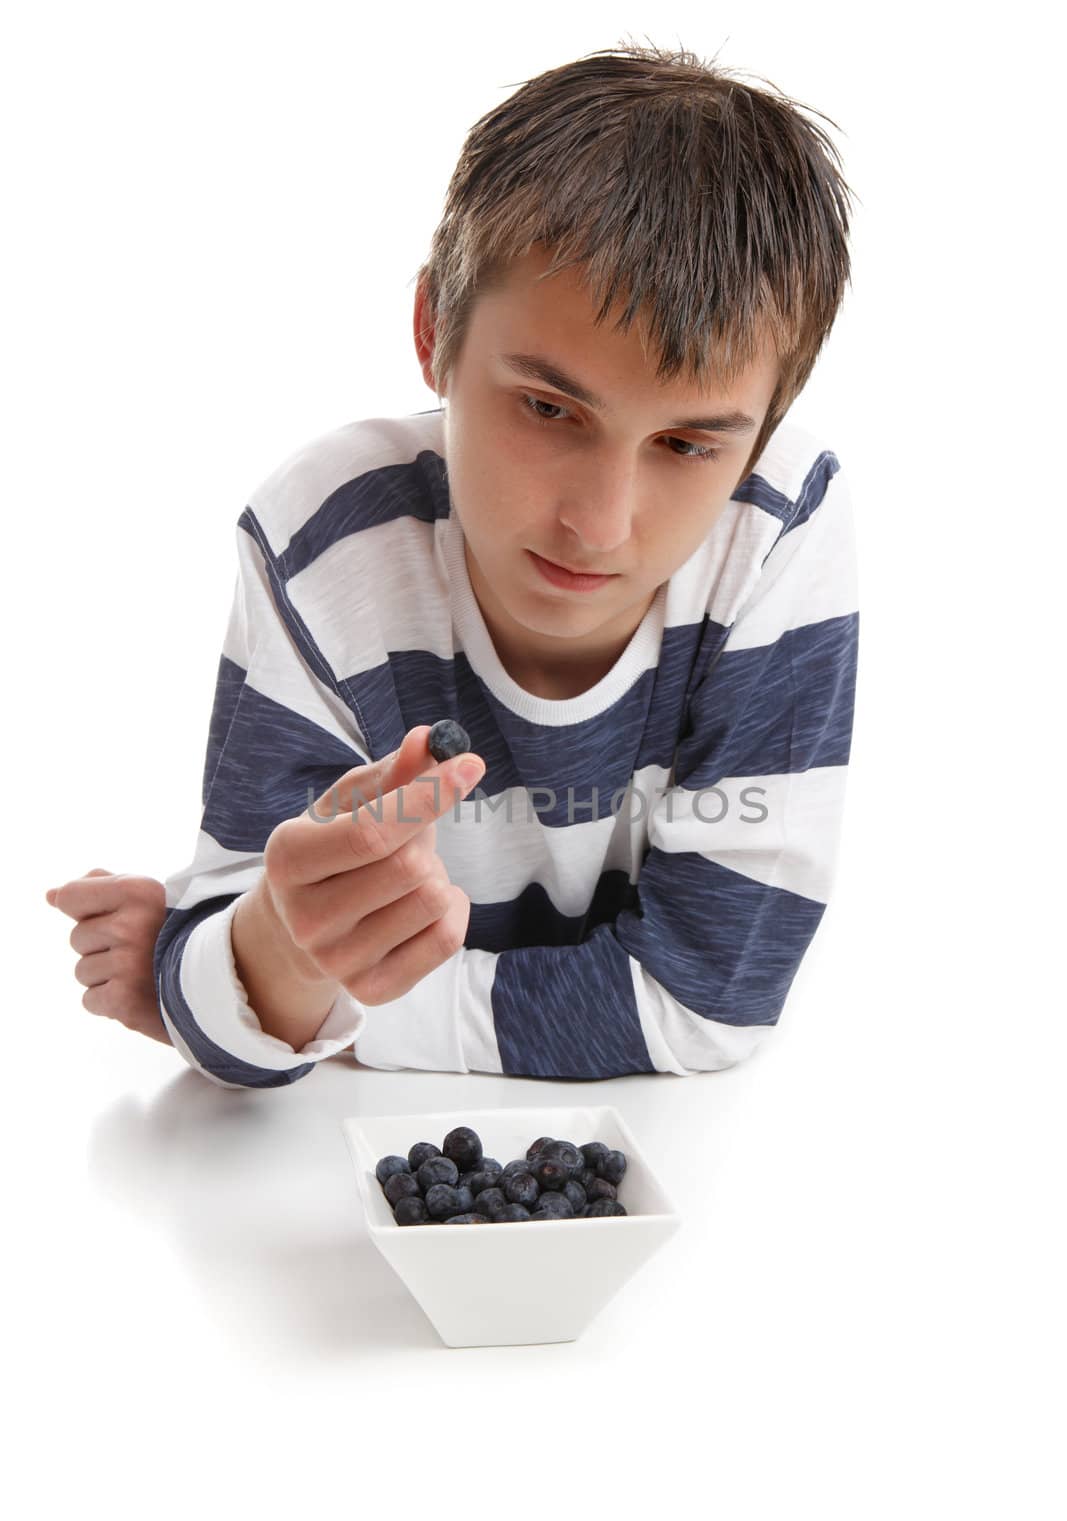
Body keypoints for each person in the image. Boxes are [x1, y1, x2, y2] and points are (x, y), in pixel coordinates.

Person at [44, 40, 861, 1088]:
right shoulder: (325, 537)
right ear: (434, 328)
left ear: (759, 435)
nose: (600, 525)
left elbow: (703, 1003)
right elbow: (242, 993)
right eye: (547, 408)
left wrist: (251, 982)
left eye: (688, 445)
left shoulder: (777, 530)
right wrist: (256, 970)